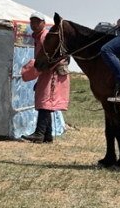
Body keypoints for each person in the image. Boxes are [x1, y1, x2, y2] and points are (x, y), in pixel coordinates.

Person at [21, 11, 71, 143]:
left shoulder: (44, 37)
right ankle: (46, 136)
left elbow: (54, 57)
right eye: (32, 22)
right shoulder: (38, 37)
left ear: (44, 23)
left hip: (52, 72)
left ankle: (39, 134)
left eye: (38, 22)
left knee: (45, 102)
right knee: (45, 101)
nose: (35, 24)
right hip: (46, 71)